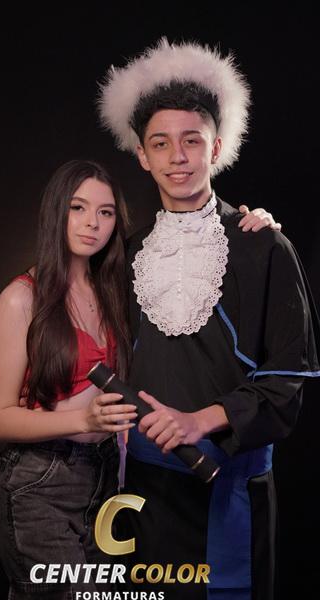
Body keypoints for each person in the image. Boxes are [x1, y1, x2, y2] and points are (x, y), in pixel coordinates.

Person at [98, 39, 320, 600]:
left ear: (216, 148)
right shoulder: (127, 254)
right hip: (145, 494)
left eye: (192, 140)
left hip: (229, 491)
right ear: (142, 156)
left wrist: (200, 420)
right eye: (161, 144)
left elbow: (286, 381)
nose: (177, 156)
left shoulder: (265, 247)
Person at [0, 159, 138, 599]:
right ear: (56, 211)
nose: (92, 223)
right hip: (40, 483)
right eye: (78, 207)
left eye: (106, 212)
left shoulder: (114, 292)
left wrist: (247, 222)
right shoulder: (20, 299)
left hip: (104, 483)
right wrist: (84, 421)